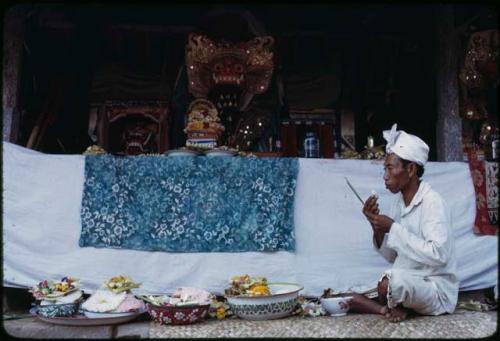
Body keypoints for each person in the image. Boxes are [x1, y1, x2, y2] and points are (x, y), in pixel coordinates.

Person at [347, 123, 459, 322]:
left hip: (434, 287)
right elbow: (393, 256)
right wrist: (376, 226)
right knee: (358, 289)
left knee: (388, 285)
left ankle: (392, 304)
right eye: (385, 169)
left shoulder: (433, 202)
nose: (385, 176)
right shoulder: (398, 202)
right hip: (410, 280)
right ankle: (394, 305)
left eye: (390, 168)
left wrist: (392, 227)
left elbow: (439, 255)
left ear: (410, 169)